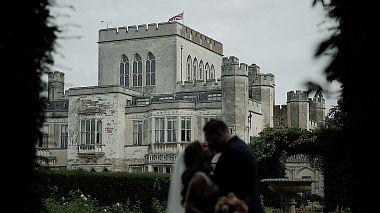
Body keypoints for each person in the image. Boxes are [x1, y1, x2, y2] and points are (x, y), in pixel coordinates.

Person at [203, 119, 264, 213]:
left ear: (219, 133)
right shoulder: (241, 146)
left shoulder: (232, 152)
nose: (209, 145)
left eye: (209, 139)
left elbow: (225, 189)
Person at [181, 141, 218, 213]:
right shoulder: (199, 178)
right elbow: (189, 207)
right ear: (198, 154)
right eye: (204, 146)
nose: (209, 145)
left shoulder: (206, 174)